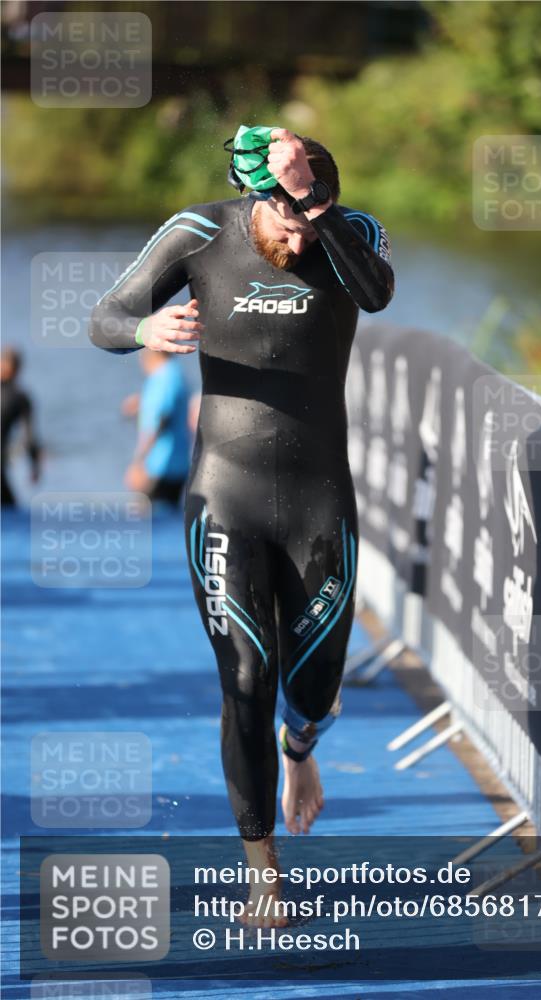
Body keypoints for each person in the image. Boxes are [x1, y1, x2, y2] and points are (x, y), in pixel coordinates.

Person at [89, 127, 394, 925]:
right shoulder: (199, 232)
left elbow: (375, 295)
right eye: (287, 220)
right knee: (246, 680)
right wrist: (144, 332)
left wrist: (315, 208)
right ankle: (264, 872)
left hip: (319, 500)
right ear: (257, 199)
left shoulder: (349, 234)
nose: (300, 239)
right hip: (225, 492)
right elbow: (105, 316)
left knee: (313, 689)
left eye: (312, 217)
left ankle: (301, 750)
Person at [120, 348, 191, 506]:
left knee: (147, 516)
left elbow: (159, 423)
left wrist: (138, 464)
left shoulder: (163, 377)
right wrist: (142, 403)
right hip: (178, 464)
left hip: (159, 466)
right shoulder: (175, 373)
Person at [1, 347, 42, 506]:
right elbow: (29, 438)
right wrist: (35, 466)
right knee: (10, 511)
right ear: (18, 370)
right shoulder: (20, 398)